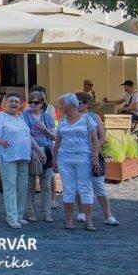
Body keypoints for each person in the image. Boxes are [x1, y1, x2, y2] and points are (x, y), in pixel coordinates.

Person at [53, 93, 102, 231]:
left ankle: (89, 221)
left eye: (62, 104)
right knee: (68, 189)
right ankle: (69, 220)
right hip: (65, 159)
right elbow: (57, 143)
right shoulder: (62, 122)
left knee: (85, 188)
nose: (60, 106)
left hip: (83, 158)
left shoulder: (87, 120)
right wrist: (55, 159)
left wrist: (95, 158)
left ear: (71, 104)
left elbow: (95, 141)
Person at [0, 93, 32, 229]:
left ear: (20, 105)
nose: (14, 104)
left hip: (23, 155)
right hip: (7, 156)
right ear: (5, 103)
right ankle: (12, 217)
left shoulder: (21, 117)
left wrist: (37, 151)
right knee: (10, 187)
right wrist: (0, 140)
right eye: (11, 101)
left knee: (22, 186)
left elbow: (28, 136)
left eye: (17, 102)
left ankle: (19, 215)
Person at [76, 92, 118, 227]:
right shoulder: (71, 118)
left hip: (93, 156)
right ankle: (81, 212)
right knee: (78, 186)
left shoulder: (94, 117)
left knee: (99, 186)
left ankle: (108, 215)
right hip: (78, 156)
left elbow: (102, 137)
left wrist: (95, 151)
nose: (75, 105)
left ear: (86, 105)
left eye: (78, 102)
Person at [24, 90, 57, 222]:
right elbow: (27, 135)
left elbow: (53, 136)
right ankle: (30, 212)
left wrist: (44, 129)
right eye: (30, 102)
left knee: (46, 184)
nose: (33, 105)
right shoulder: (25, 116)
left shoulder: (47, 117)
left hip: (48, 150)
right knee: (30, 184)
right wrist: (38, 151)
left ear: (42, 103)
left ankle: (46, 213)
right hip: (32, 151)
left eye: (36, 102)